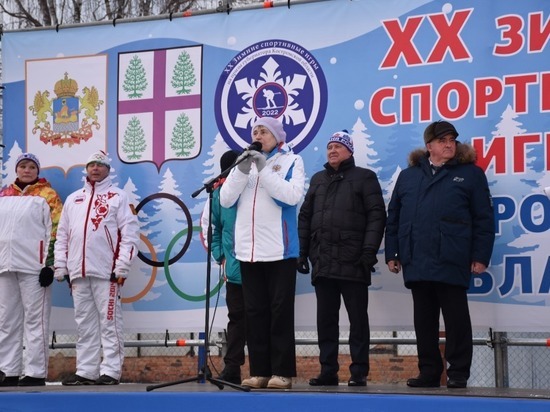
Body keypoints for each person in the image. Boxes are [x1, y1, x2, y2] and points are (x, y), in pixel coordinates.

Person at [384, 121, 495, 389]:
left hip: (452, 256)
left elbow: (483, 218)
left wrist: (480, 255)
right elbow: (394, 217)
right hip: (417, 258)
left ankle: (458, 372)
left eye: (452, 140)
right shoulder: (409, 176)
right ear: (429, 146)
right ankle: (429, 372)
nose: (449, 145)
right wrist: (393, 252)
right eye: (443, 140)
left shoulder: (470, 174)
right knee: (424, 321)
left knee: (456, 320)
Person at [220, 117, 305, 389]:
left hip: (280, 250)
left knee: (280, 312)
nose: (258, 134)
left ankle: (282, 372)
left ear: (277, 136)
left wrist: (264, 169)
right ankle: (259, 372)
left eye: (264, 131)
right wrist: (243, 170)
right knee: (254, 313)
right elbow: (225, 200)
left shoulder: (292, 161)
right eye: (255, 130)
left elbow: (290, 197)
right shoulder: (244, 163)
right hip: (248, 252)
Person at [297, 130, 386, 387]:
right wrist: (303, 252)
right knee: (325, 321)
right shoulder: (318, 180)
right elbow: (305, 217)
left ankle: (359, 372)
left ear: (349, 151)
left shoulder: (365, 178)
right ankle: (328, 371)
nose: (332, 151)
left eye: (338, 146)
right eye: (330, 147)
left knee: (357, 320)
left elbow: (377, 216)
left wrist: (368, 251)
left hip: (353, 261)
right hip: (323, 262)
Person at [54, 150, 139, 386]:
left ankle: (111, 371)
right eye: (92, 164)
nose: (95, 168)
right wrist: (61, 264)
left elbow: (130, 234)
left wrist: (121, 266)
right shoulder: (73, 199)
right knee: (84, 324)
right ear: (86, 169)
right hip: (78, 274)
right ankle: (86, 371)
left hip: (106, 273)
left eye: (100, 165)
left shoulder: (118, 197)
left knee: (110, 323)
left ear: (108, 169)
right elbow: (62, 236)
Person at [0, 153, 63, 387]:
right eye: (23, 166)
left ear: (37, 170)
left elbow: (57, 230)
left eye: (31, 167)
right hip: (5, 267)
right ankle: (8, 370)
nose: (27, 170)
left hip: (34, 269)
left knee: (35, 321)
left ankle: (35, 372)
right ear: (16, 170)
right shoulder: (4, 194)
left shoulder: (48, 196)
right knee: (6, 321)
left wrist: (50, 264)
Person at [200, 149, 246, 385]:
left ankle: (262, 371)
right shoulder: (218, 195)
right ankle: (232, 369)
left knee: (260, 319)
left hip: (259, 266)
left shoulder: (251, 190)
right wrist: (221, 256)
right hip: (234, 270)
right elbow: (214, 230)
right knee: (236, 319)